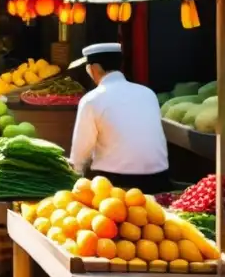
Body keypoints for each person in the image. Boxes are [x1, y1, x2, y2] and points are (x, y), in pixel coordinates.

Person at [69, 42, 169, 193]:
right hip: (159, 179)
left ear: (94, 69)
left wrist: (73, 176)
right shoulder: (148, 93)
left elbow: (81, 152)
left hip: (115, 183)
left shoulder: (92, 99)